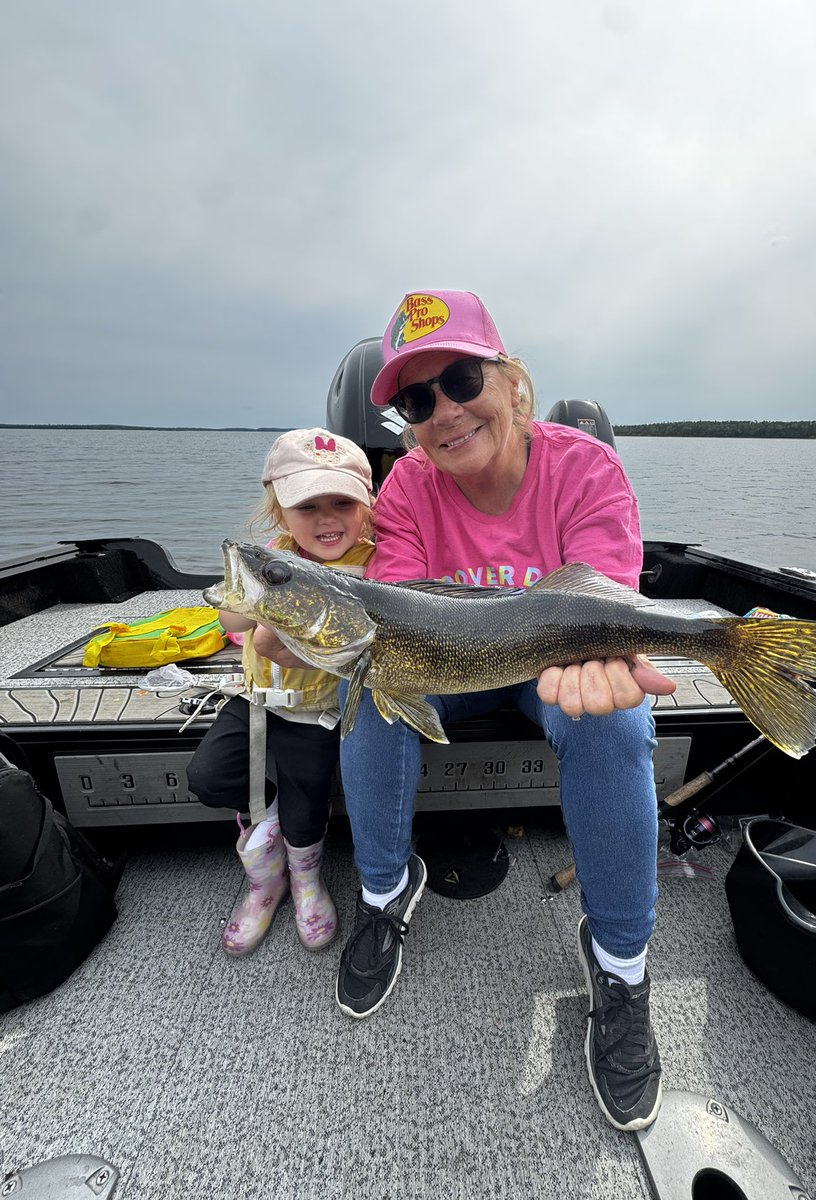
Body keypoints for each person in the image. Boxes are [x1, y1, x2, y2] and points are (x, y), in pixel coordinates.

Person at [256, 292, 676, 1132]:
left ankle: (622, 965)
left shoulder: (586, 469)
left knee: (617, 722)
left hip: (557, 662)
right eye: (418, 399)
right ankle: (384, 891)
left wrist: (610, 664)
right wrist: (321, 642)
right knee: (370, 689)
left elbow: (602, 603)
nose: (444, 411)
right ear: (405, 423)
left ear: (511, 381)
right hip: (452, 658)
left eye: (459, 379)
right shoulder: (407, 488)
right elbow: (397, 615)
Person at [188, 428, 374, 957]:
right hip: (255, 700)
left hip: (315, 712)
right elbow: (228, 614)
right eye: (306, 505)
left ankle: (305, 881)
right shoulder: (272, 560)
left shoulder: (376, 565)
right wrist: (254, 604)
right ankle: (263, 874)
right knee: (208, 776)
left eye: (343, 501)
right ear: (279, 511)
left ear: (367, 505)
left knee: (308, 798)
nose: (326, 518)